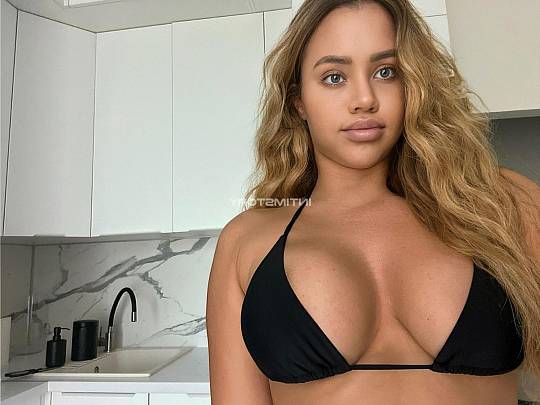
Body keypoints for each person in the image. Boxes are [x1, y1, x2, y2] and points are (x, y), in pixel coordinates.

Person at [206, 0, 540, 404]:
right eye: (334, 77)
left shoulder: (505, 206)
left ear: (413, 83)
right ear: (299, 101)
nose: (364, 99)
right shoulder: (248, 243)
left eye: (386, 72)